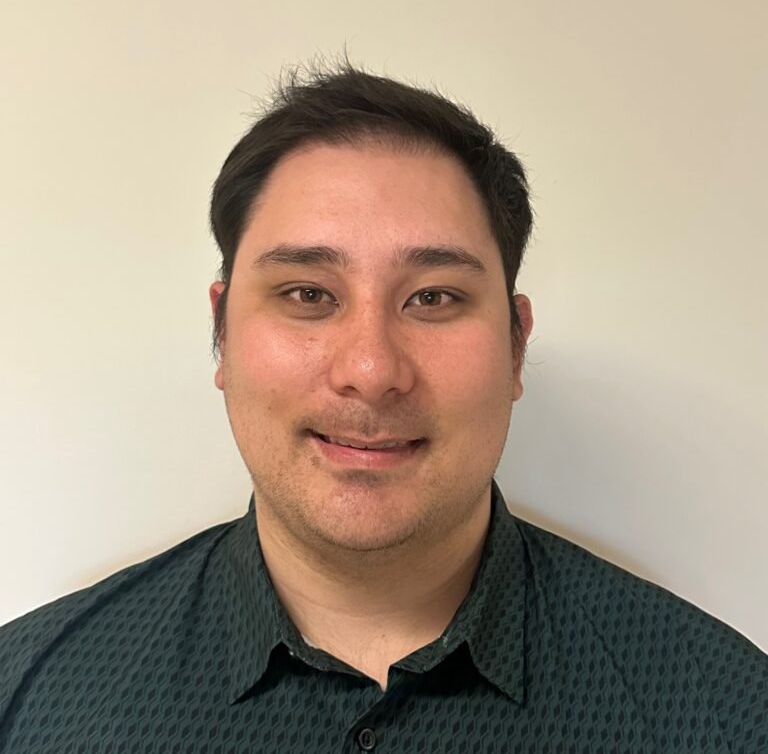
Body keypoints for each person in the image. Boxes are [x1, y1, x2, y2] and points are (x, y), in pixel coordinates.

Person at [1, 61, 766, 754]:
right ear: (222, 334)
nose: (370, 371)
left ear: (515, 346)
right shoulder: (28, 698)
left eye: (433, 298)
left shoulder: (727, 715)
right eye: (308, 294)